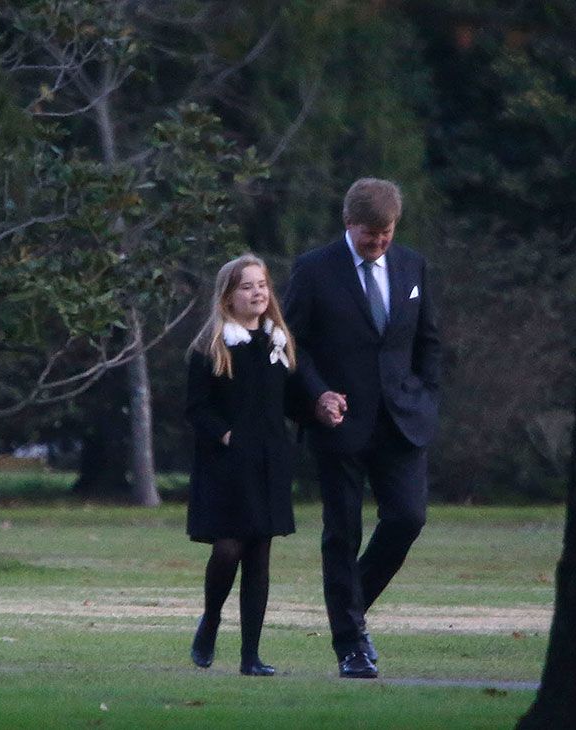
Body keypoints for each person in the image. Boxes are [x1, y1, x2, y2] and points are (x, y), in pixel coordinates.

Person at [283, 178, 440, 679]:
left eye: (386, 233)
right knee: (343, 531)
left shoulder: (413, 265)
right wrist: (317, 395)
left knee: (407, 519)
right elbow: (293, 344)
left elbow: (427, 340)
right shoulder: (313, 270)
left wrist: (427, 396)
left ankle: (349, 609)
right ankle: (349, 643)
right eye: (370, 234)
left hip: (402, 421)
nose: (379, 243)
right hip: (339, 422)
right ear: (348, 224)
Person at [185, 253, 298, 677]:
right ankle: (210, 620)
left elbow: (293, 397)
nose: (257, 293)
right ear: (228, 297)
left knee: (259, 555)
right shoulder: (211, 347)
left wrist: (324, 403)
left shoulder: (278, 342)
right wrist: (226, 434)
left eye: (262, 285)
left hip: (269, 463)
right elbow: (197, 409)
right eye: (247, 286)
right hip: (227, 466)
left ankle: (251, 656)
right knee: (228, 547)